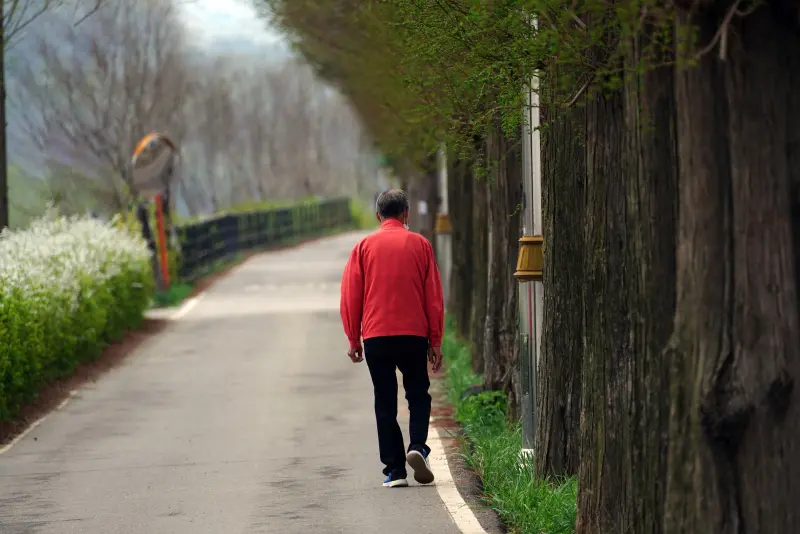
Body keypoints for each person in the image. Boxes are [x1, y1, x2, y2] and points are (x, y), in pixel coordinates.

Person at [340, 189, 445, 488]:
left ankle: (395, 470)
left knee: (384, 400)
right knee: (417, 393)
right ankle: (418, 447)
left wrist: (353, 338)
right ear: (406, 214)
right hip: (413, 335)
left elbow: (351, 295)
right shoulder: (420, 245)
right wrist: (435, 340)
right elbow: (433, 296)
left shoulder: (363, 247)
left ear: (378, 216)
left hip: (376, 336)